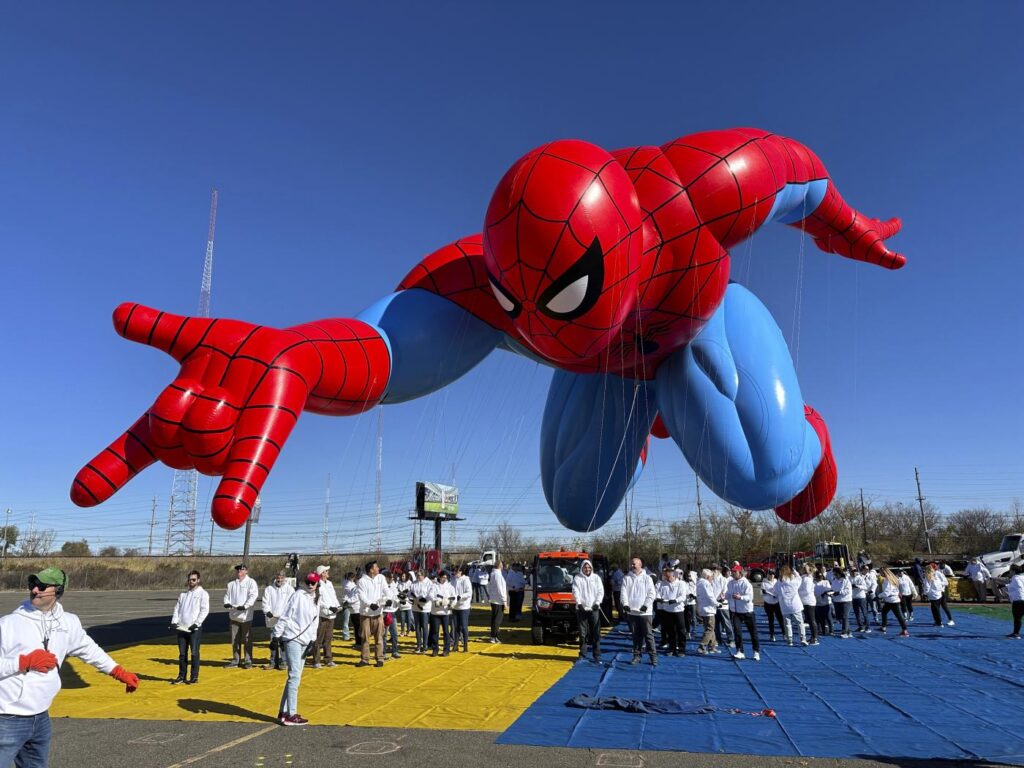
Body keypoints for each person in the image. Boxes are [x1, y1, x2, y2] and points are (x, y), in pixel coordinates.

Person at [0, 567, 140, 765]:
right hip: (7, 718)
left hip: (41, 717)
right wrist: (22, 662)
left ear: (58, 590)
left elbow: (89, 650)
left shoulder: (68, 622)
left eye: (41, 586)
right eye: (33, 585)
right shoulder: (9, 624)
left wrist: (117, 671)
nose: (35, 591)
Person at [271, 571, 320, 726]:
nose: (310, 585)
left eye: (313, 583)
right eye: (308, 582)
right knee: (294, 676)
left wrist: (313, 640)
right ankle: (292, 713)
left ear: (317, 584)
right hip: (293, 638)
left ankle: (283, 712)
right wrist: (276, 635)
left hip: (306, 640)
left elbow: (315, 621)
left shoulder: (317, 598)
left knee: (295, 676)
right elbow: (286, 615)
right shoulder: (298, 595)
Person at [170, 569, 209, 684]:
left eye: (194, 579)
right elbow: (177, 609)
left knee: (194, 653)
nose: (191, 581)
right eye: (190, 579)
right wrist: (174, 621)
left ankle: (194, 677)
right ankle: (181, 676)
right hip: (182, 628)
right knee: (182, 654)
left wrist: (196, 623)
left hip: (194, 629)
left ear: (198, 580)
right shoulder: (183, 595)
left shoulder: (203, 594)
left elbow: (204, 610)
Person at [621, 557, 657, 665]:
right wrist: (625, 604)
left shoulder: (647, 578)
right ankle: (637, 656)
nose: (632, 566)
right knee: (636, 636)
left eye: (634, 564)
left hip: (645, 612)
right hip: (632, 612)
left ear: (640, 564)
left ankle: (653, 657)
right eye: (631, 564)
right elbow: (623, 593)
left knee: (648, 635)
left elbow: (652, 593)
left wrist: (646, 605)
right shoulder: (627, 578)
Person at [224, 564, 258, 668]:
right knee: (234, 639)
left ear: (246, 571)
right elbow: (227, 596)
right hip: (234, 616)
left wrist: (245, 606)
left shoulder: (251, 582)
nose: (240, 571)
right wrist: (227, 603)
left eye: (242, 569)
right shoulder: (231, 584)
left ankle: (248, 660)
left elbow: (253, 596)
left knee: (247, 639)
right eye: (238, 569)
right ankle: (236, 660)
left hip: (246, 616)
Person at [573, 559, 606, 662]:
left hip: (594, 609)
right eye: (585, 567)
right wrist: (579, 603)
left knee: (595, 632)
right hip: (582, 609)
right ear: (582, 568)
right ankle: (582, 653)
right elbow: (575, 591)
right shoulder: (577, 578)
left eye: (588, 567)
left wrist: (597, 603)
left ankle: (596, 654)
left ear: (591, 568)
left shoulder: (596, 578)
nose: (587, 569)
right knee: (583, 633)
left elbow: (600, 591)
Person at [262, 571, 294, 671]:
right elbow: (265, 602)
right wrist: (267, 611)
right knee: (273, 641)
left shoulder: (290, 589)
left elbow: (292, 604)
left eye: (282, 577)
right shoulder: (269, 589)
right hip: (273, 619)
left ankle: (284, 662)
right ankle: (272, 662)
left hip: (284, 620)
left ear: (285, 578)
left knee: (283, 642)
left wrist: (287, 615)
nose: (280, 579)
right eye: (278, 577)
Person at [357, 560, 387, 667]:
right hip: (366, 614)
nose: (378, 568)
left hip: (378, 614)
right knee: (365, 637)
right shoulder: (362, 581)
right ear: (371, 570)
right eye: (376, 567)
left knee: (379, 637)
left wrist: (388, 599)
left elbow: (386, 590)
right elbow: (361, 596)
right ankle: (365, 659)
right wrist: (370, 604)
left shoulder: (381, 578)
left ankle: (380, 658)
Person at [727, 566, 760, 661]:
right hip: (736, 612)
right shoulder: (730, 583)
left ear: (740, 573)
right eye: (732, 571)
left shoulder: (746, 583)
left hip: (747, 611)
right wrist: (723, 596)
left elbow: (750, 597)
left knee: (753, 632)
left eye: (734, 572)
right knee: (737, 632)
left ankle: (756, 652)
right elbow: (729, 594)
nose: (733, 573)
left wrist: (740, 597)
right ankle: (740, 651)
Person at [311, 565, 339, 668]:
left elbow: (334, 596)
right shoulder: (318, 585)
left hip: (331, 615)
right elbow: (319, 600)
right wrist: (328, 607)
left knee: (328, 638)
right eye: (326, 571)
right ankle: (316, 661)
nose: (327, 572)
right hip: (322, 615)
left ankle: (328, 659)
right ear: (322, 573)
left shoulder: (330, 583)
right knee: (318, 638)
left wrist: (337, 606)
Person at [655, 567, 686, 657]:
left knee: (681, 630)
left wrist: (675, 600)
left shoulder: (681, 584)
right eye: (665, 576)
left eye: (668, 576)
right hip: (667, 610)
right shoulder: (663, 584)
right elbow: (658, 593)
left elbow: (683, 596)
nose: (667, 578)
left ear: (673, 575)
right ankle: (671, 648)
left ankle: (681, 649)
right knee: (670, 630)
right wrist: (659, 598)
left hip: (678, 610)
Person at [776, 565, 806, 646]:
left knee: (788, 624)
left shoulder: (779, 581)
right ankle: (802, 638)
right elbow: (800, 579)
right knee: (800, 623)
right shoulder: (794, 580)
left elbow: (776, 591)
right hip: (795, 605)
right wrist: (795, 571)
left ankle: (789, 640)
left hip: (784, 605)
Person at [428, 570, 456, 656]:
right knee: (435, 632)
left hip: (445, 613)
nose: (444, 579)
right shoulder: (434, 586)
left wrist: (451, 604)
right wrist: (437, 601)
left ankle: (446, 650)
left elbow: (454, 597)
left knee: (446, 632)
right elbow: (430, 595)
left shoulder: (450, 587)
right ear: (439, 577)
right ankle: (435, 649)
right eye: (443, 577)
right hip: (435, 613)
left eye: (446, 578)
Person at [878, 568, 909, 636]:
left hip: (891, 600)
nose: (880, 574)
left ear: (884, 573)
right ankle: (883, 627)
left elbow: (887, 592)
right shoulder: (893, 579)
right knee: (884, 612)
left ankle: (905, 630)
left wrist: (879, 596)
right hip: (893, 599)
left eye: (881, 572)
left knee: (898, 616)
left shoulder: (886, 580)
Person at [695, 569, 720, 655]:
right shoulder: (706, 583)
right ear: (708, 577)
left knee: (709, 628)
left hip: (702, 608)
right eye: (711, 577)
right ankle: (702, 646)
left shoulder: (699, 583)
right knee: (710, 628)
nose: (712, 578)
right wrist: (717, 604)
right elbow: (710, 596)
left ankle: (712, 646)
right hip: (708, 609)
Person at [410, 569, 433, 653]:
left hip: (425, 608)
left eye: (420, 575)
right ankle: (418, 645)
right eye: (417, 575)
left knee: (424, 626)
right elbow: (410, 592)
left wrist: (425, 599)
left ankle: (425, 645)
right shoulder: (414, 583)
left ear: (423, 575)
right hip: (416, 607)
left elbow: (431, 593)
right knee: (417, 627)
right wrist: (411, 598)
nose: (418, 576)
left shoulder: (429, 583)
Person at [712, 565, 735, 648]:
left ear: (718, 571)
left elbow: (725, 590)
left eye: (714, 570)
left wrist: (722, 596)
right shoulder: (711, 580)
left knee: (726, 622)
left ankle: (731, 639)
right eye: (712, 570)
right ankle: (718, 639)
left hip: (722, 604)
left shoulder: (723, 579)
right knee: (715, 623)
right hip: (714, 604)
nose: (713, 572)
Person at [452, 565, 473, 652]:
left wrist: (461, 596)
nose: (454, 573)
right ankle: (455, 645)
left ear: (461, 572)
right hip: (455, 607)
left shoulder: (466, 580)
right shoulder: (453, 580)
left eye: (456, 571)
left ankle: (465, 645)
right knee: (456, 627)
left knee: (464, 627)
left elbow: (469, 592)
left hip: (464, 607)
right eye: (454, 571)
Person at [487, 562, 508, 643]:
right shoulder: (497, 575)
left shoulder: (493, 574)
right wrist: (504, 601)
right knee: (497, 620)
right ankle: (494, 636)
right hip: (498, 601)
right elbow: (500, 589)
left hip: (494, 599)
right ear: (500, 566)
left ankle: (493, 636)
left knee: (494, 619)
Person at [829, 566, 853, 638]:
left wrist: (839, 592)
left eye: (836, 574)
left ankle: (844, 632)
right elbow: (832, 588)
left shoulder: (846, 580)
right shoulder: (834, 580)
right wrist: (831, 593)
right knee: (839, 617)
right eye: (834, 574)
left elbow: (847, 590)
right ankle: (848, 631)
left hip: (846, 600)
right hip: (837, 600)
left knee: (844, 616)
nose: (835, 575)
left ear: (839, 573)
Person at [798, 564, 819, 645]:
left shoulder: (807, 579)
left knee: (812, 619)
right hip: (805, 601)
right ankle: (813, 637)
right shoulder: (804, 578)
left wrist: (797, 593)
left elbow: (806, 590)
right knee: (810, 620)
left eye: (802, 568)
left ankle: (815, 637)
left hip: (809, 601)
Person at [382, 572, 401, 659]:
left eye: (392, 578)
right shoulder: (381, 587)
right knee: (384, 634)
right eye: (390, 577)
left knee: (394, 633)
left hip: (392, 612)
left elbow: (396, 597)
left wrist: (400, 600)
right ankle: (383, 652)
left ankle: (395, 651)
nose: (392, 579)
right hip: (384, 612)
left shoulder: (394, 586)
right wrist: (385, 602)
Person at [760, 571, 783, 642]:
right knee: (771, 620)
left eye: (773, 574)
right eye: (770, 574)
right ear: (768, 575)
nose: (771, 576)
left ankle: (784, 633)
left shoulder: (777, 581)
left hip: (776, 603)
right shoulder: (764, 583)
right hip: (768, 603)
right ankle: (772, 635)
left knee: (780, 619)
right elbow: (761, 592)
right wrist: (764, 592)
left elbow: (780, 590)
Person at [339, 572, 360, 642]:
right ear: (350, 577)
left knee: (352, 621)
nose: (354, 579)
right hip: (347, 603)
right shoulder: (347, 584)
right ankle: (346, 636)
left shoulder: (351, 583)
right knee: (346, 620)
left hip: (351, 603)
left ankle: (352, 635)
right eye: (353, 577)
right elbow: (352, 593)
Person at [813, 568, 833, 636]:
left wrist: (825, 592)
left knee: (828, 617)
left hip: (827, 603)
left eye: (821, 577)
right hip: (818, 603)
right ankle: (823, 630)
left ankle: (831, 630)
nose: (820, 578)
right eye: (818, 577)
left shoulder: (826, 582)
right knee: (820, 618)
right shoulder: (814, 583)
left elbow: (830, 590)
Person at [1007, 564, 1024, 639]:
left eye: (1010, 570)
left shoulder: (1015, 578)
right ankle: (1015, 633)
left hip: (1018, 600)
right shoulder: (1022, 577)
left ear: (1013, 571)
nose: (1009, 572)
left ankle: (1016, 633)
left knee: (1017, 618)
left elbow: (1019, 587)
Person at [850, 566, 869, 633]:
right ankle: (860, 626)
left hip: (861, 597)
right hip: (854, 598)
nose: (854, 572)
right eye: (852, 571)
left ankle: (867, 627)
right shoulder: (849, 578)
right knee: (856, 613)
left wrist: (857, 586)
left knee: (864, 612)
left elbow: (865, 587)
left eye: (855, 571)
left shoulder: (860, 578)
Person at [397, 572, 415, 637]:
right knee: (402, 619)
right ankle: (402, 631)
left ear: (406, 576)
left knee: (409, 619)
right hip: (402, 604)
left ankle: (408, 630)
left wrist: (406, 593)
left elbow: (411, 591)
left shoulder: (410, 583)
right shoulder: (398, 583)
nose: (402, 577)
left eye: (404, 576)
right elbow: (397, 591)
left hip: (408, 604)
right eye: (402, 576)